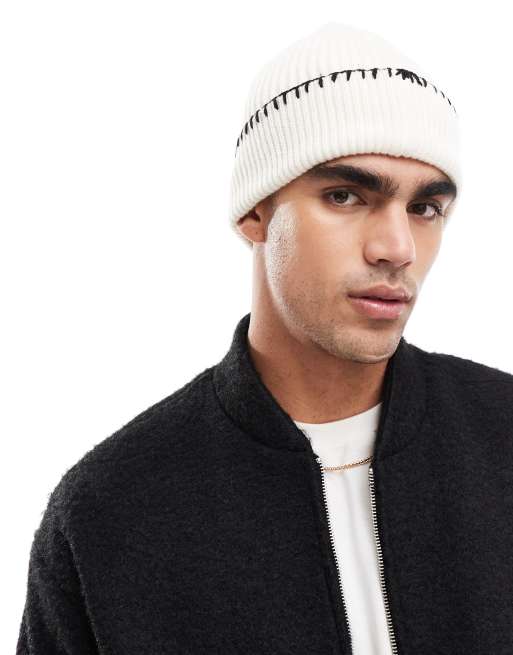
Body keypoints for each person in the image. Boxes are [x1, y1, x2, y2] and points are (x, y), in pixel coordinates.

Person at [16, 21, 513, 655]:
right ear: (255, 212)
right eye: (345, 196)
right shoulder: (111, 510)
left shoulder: (502, 435)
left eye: (425, 208)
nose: (397, 248)